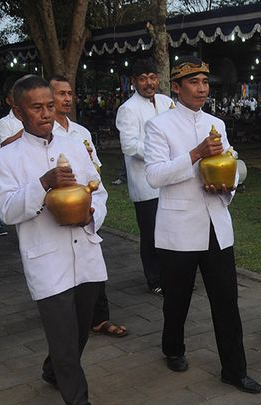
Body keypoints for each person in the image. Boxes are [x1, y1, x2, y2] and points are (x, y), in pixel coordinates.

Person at [0, 75, 108, 405]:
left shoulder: (76, 144)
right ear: (17, 109)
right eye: (37, 107)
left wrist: (91, 214)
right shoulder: (4, 157)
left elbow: (98, 192)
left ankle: (53, 369)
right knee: (63, 337)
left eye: (50, 106)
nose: (46, 113)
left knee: (80, 329)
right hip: (46, 258)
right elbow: (8, 210)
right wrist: (43, 183)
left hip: (85, 251)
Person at [144, 56, 261, 394]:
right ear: (177, 88)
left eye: (205, 82)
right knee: (177, 299)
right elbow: (154, 176)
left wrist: (227, 187)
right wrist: (194, 154)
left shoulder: (217, 124)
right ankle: (173, 347)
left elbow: (227, 167)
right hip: (179, 227)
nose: (201, 89)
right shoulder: (160, 126)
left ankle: (234, 369)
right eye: (193, 82)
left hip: (215, 223)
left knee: (226, 300)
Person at [48, 75, 128, 339]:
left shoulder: (81, 132)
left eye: (70, 93)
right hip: (58, 209)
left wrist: (93, 206)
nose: (67, 98)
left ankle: (98, 318)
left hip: (86, 205)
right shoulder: (46, 133)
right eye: (61, 94)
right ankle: (67, 319)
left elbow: (94, 171)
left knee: (93, 267)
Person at [115, 59, 175, 296]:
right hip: (146, 183)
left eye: (152, 77)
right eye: (143, 78)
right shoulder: (128, 109)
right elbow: (129, 146)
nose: (149, 83)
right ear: (134, 82)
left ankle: (174, 274)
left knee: (172, 230)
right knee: (151, 234)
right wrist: (159, 152)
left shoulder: (166, 101)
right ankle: (155, 279)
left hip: (170, 178)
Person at [0, 76, 24, 147]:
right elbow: (4, 144)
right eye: (14, 95)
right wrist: (25, 132)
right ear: (8, 101)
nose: (19, 97)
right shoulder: (4, 122)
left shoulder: (34, 116)